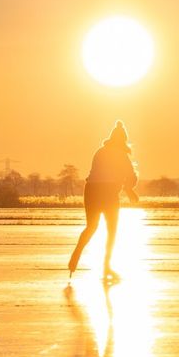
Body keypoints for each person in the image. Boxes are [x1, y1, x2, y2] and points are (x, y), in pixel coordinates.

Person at [68, 121, 138, 282]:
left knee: (91, 226)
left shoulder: (100, 151)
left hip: (91, 190)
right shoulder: (122, 154)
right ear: (123, 140)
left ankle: (76, 255)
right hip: (108, 192)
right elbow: (131, 176)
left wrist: (127, 188)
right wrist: (129, 190)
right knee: (111, 231)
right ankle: (106, 266)